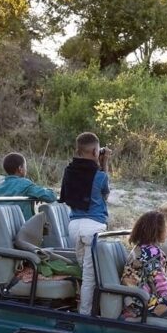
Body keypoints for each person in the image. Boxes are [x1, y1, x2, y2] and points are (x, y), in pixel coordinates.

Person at [60, 132, 111, 312]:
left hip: (74, 227)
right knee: (91, 276)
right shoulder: (100, 176)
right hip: (94, 227)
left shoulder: (69, 171)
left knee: (85, 271)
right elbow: (105, 193)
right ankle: (85, 315)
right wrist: (104, 163)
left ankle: (80, 304)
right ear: (96, 151)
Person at [0, 152, 57, 216]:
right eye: (25, 166)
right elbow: (50, 197)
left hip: (6, 224)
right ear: (20, 168)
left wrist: (34, 197)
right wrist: (48, 191)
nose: (26, 169)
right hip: (23, 225)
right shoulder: (25, 184)